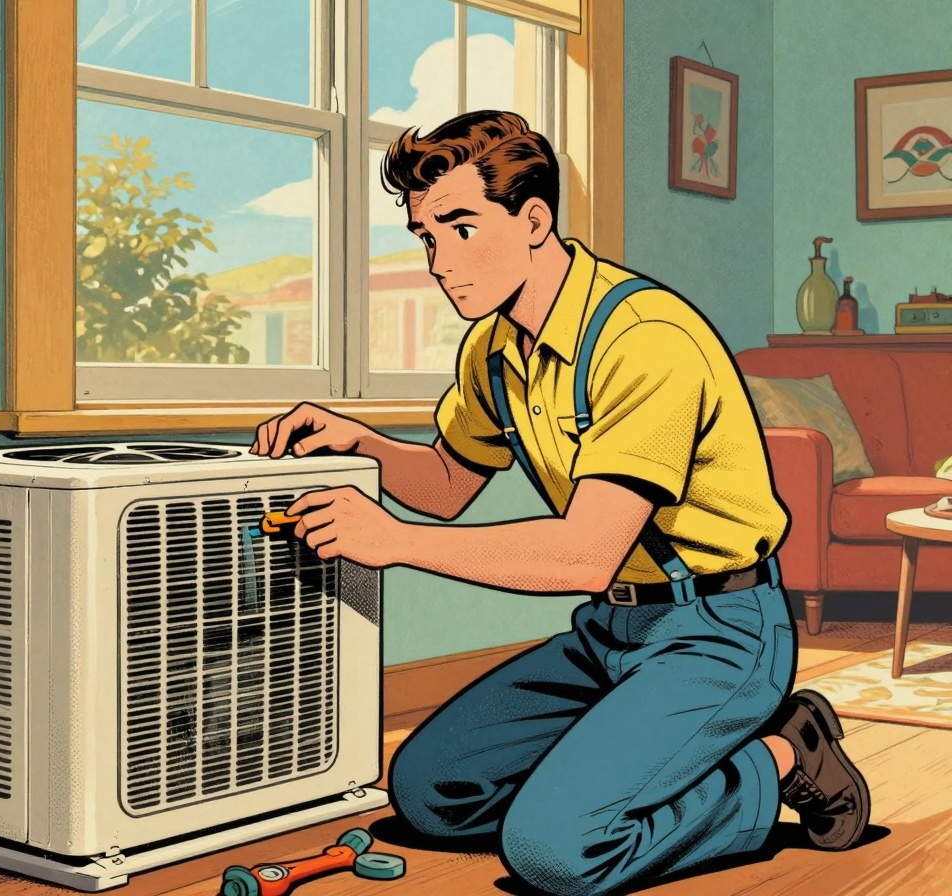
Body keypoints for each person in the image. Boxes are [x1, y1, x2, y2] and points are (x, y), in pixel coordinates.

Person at [250, 110, 869, 896]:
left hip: (720, 630)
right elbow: (446, 486)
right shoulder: (494, 349)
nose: (440, 261)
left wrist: (392, 540)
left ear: (533, 219)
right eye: (426, 237)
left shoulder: (644, 338)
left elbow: (585, 552)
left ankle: (781, 753)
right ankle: (614, 771)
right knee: (428, 793)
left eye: (462, 228)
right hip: (612, 629)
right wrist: (360, 442)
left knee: (554, 853)